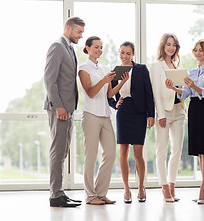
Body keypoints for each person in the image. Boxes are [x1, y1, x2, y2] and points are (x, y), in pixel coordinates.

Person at [165, 39, 204, 204]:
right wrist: (174, 88)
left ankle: (203, 188)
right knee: (199, 149)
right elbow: (186, 93)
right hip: (194, 108)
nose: (197, 53)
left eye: (201, 50)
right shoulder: (192, 71)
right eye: (195, 50)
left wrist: (193, 86)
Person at [78, 36, 129, 205]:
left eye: (101, 47)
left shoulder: (105, 67)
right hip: (91, 115)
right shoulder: (83, 68)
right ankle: (90, 195)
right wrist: (104, 80)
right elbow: (91, 92)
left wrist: (121, 83)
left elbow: (108, 94)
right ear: (87, 48)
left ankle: (100, 193)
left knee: (110, 153)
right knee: (91, 156)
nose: (99, 50)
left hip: (105, 115)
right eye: (96, 47)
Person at [44, 16, 85, 208]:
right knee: (58, 151)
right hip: (59, 108)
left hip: (68, 108)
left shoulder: (68, 48)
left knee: (63, 151)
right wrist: (58, 105)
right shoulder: (57, 46)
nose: (81, 36)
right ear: (68, 28)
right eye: (78, 32)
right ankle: (55, 195)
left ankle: (59, 192)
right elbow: (49, 80)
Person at [109, 41, 155, 203]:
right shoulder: (114, 72)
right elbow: (109, 94)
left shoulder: (141, 69)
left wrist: (151, 114)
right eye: (122, 52)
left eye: (128, 53)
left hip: (139, 113)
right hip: (123, 112)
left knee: (138, 153)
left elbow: (149, 92)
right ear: (119, 53)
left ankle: (141, 187)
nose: (124, 56)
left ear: (133, 54)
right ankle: (126, 188)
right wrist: (115, 104)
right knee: (122, 152)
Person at [150, 33, 185, 202]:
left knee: (177, 150)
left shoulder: (177, 66)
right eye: (168, 44)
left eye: (174, 45)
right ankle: (164, 188)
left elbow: (181, 91)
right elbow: (156, 91)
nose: (171, 48)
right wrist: (160, 115)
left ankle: (172, 184)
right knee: (161, 150)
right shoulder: (157, 66)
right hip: (164, 111)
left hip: (179, 111)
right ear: (163, 46)